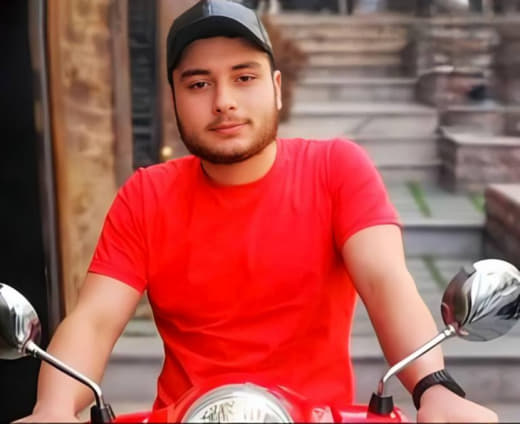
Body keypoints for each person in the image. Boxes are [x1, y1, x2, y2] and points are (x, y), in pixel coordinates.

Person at [19, 0, 498, 422]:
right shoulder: (146, 195)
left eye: (244, 77)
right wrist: (54, 408)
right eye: (199, 83)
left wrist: (433, 387)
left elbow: (386, 281)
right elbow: (94, 318)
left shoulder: (337, 169)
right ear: (174, 100)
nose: (223, 102)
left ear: (276, 87)